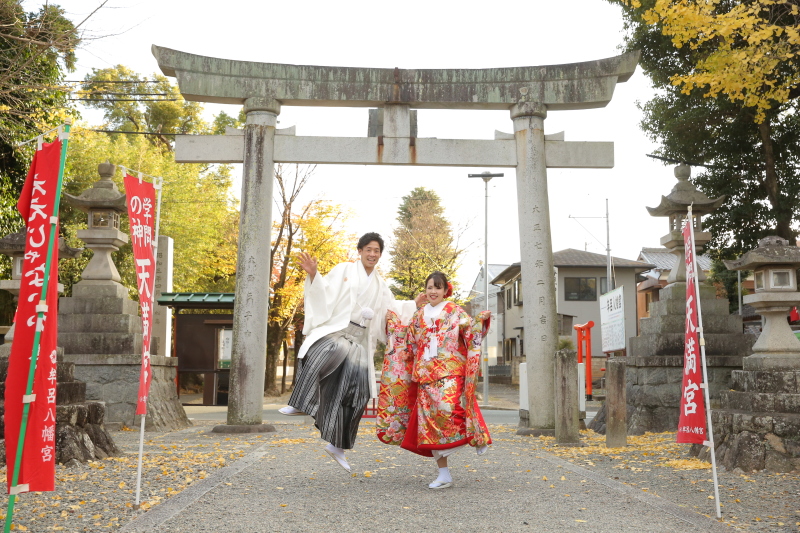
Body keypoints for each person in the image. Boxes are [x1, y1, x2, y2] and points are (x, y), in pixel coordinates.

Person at [280, 233, 422, 472]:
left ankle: (338, 445)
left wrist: (413, 305)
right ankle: (301, 402)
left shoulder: (380, 284)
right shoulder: (344, 270)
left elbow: (392, 308)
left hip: (360, 341)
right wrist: (314, 273)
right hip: (338, 329)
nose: (372, 254)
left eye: (377, 251)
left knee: (359, 394)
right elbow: (324, 290)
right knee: (328, 350)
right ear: (360, 250)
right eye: (368, 249)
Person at [377, 271, 491, 489]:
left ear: (445, 290)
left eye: (437, 288)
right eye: (430, 287)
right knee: (430, 425)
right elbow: (407, 340)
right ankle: (444, 473)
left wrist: (479, 323)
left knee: (449, 410)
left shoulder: (454, 311)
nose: (433, 291)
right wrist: (393, 325)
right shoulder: (419, 315)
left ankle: (473, 435)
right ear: (425, 290)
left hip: (450, 371)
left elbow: (470, 332)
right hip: (425, 374)